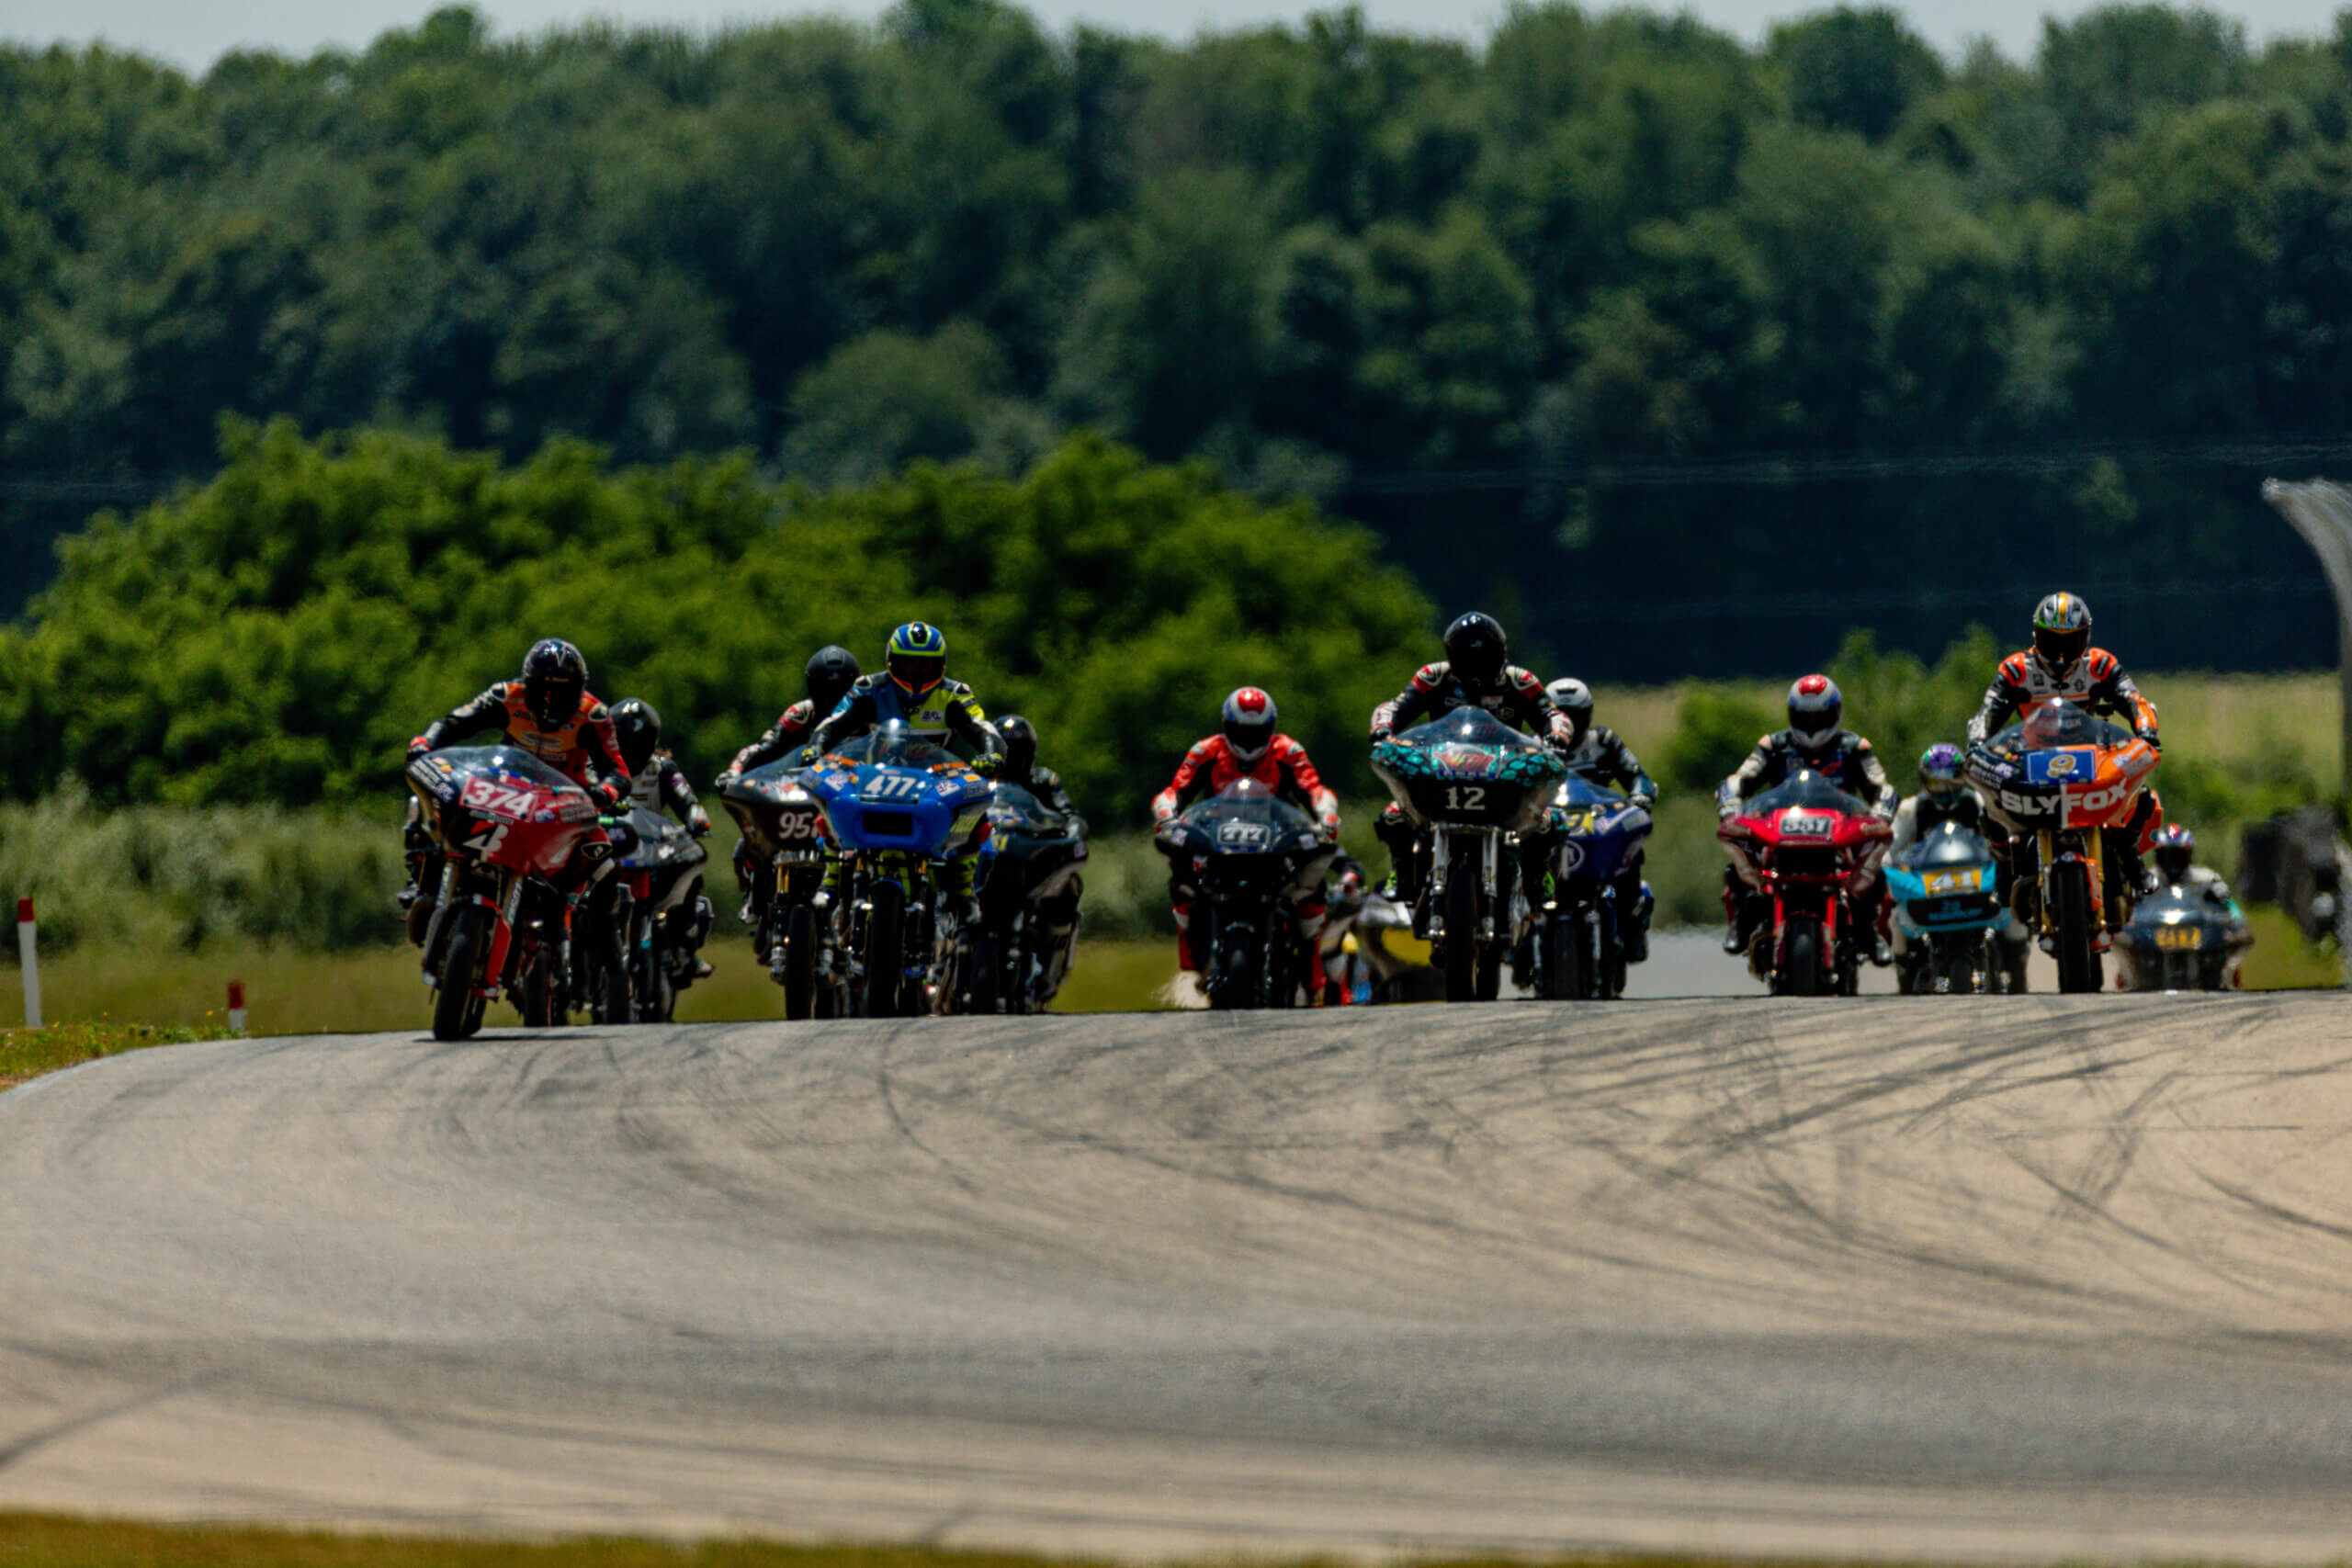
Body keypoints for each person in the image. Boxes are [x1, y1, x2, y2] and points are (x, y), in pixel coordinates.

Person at [401, 638, 628, 930]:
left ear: (579, 691)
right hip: (506, 789)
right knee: (434, 805)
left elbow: (617, 770)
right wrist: (425, 742)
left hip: (567, 804)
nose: (550, 704)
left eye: (561, 695)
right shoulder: (505, 696)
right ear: (527, 684)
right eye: (543, 692)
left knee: (603, 861)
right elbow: (453, 722)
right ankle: (420, 883)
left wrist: (604, 792)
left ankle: (588, 943)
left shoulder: (593, 715)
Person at [1367, 612, 1575, 908]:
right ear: (1451, 657)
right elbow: (1395, 707)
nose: (1476, 673)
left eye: (1484, 661)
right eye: (1467, 662)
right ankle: (1402, 873)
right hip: (1441, 770)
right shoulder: (1432, 677)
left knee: (1549, 822)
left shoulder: (1521, 681)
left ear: (1501, 655)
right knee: (1394, 816)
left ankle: (1538, 874)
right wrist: (1382, 730)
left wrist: (1556, 738)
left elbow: (1553, 715)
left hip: (1502, 774)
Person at [803, 622, 1005, 920]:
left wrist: (992, 753)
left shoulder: (955, 694)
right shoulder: (868, 688)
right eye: (908, 664)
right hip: (870, 778)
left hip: (933, 782)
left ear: (942, 666)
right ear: (891, 662)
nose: (916, 674)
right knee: (828, 796)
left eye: (926, 667)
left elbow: (983, 729)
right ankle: (832, 877)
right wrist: (816, 747)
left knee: (979, 804)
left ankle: (963, 890)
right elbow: (833, 724)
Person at [1966, 591, 2164, 894]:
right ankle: (2005, 863)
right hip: (2031, 757)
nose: (2060, 654)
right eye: (2052, 641)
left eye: (2069, 642)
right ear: (2036, 636)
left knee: (2143, 800)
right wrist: (1978, 743)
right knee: (1988, 806)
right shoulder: (2015, 670)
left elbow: (2134, 700)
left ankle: (2128, 857)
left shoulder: (2101, 665)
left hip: (2092, 754)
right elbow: (1987, 711)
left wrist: (2147, 730)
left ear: (2085, 638)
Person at [1151, 687, 1340, 973]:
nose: (1248, 740)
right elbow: (1176, 791)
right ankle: (1190, 948)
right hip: (1216, 836)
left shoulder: (1288, 751)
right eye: (1240, 731)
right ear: (1227, 726)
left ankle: (1311, 963)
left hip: (1274, 836)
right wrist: (1167, 815)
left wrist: (1326, 817)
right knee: (1182, 881)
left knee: (1310, 889)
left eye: (1256, 732)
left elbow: (1313, 790)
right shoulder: (1206, 751)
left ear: (1270, 728)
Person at [1715, 673, 1898, 963]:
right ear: (1792, 715)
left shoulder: (1855, 748)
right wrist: (1730, 804)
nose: (1812, 726)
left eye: (1819, 718)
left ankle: (1867, 930)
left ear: (1835, 713)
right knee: (1745, 856)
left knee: (1873, 869)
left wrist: (1881, 812)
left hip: (1839, 831)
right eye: (1804, 718)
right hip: (1781, 828)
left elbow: (1882, 787)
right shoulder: (1772, 746)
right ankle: (1745, 919)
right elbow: (1739, 779)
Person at [715, 645, 862, 926]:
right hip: (800, 790)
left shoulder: (866, 715)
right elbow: (765, 748)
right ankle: (755, 894)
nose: (832, 697)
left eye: (840, 689)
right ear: (811, 686)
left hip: (846, 796)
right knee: (753, 837)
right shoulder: (801, 713)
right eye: (823, 687)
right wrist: (734, 772)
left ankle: (857, 911)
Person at [1886, 742, 2028, 988]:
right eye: (1936, 783)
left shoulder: (1980, 803)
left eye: (1951, 782)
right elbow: (1891, 847)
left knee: (2011, 910)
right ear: (1924, 780)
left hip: (1977, 878)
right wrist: (1892, 868)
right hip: (1928, 883)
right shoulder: (1912, 809)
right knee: (1896, 916)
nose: (1943, 790)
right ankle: (1905, 970)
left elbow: (2005, 835)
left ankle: (2017, 969)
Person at [1544, 676, 1657, 963]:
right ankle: (1513, 930)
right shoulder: (1534, 746)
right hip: (1547, 825)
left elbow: (1638, 776)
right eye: (1561, 716)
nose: (1568, 723)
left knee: (1631, 853)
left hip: (1596, 825)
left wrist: (1641, 798)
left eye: (1576, 716)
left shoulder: (1604, 742)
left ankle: (1631, 926)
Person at [608, 697, 715, 979]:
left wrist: (697, 818)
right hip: (608, 850)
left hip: (652, 851)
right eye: (623, 742)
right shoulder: (597, 769)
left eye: (638, 743)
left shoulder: (663, 770)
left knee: (693, 864)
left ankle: (685, 949)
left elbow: (686, 799)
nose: (630, 751)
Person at [991, 714, 1085, 1004]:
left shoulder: (1043, 780)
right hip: (988, 856)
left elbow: (1068, 813)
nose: (1011, 759)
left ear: (1029, 754)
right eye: (1004, 752)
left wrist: (1073, 827)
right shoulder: (977, 778)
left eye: (1017, 752)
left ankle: (1055, 963)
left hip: (1028, 856)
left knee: (1069, 885)